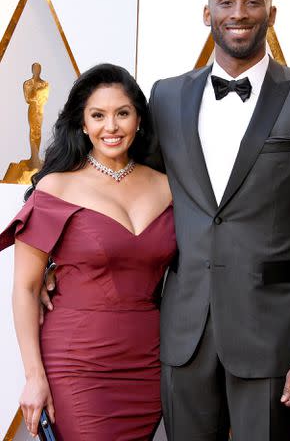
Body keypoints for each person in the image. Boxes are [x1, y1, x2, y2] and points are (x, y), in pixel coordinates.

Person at [147, 0, 290, 441]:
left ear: (271, 14)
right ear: (207, 14)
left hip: (272, 336)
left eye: (253, 1)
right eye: (226, 1)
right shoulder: (166, 96)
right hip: (183, 331)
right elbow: (133, 192)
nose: (239, 12)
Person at [0, 64, 176, 440]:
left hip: (147, 364)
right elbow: (26, 289)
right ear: (82, 123)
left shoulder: (169, 187)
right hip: (78, 366)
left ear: (139, 120)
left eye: (122, 113)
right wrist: (33, 377)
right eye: (98, 115)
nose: (110, 126)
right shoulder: (56, 188)